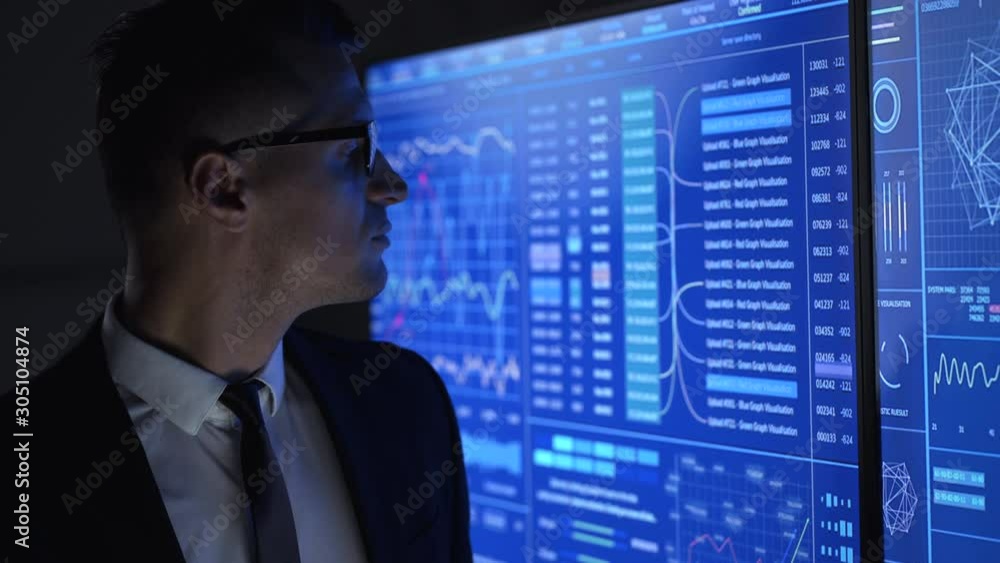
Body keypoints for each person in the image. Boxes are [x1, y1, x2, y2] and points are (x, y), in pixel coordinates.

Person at [7, 0, 472, 562]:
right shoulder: (23, 471)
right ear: (223, 187)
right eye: (355, 150)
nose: (391, 184)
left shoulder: (406, 405)